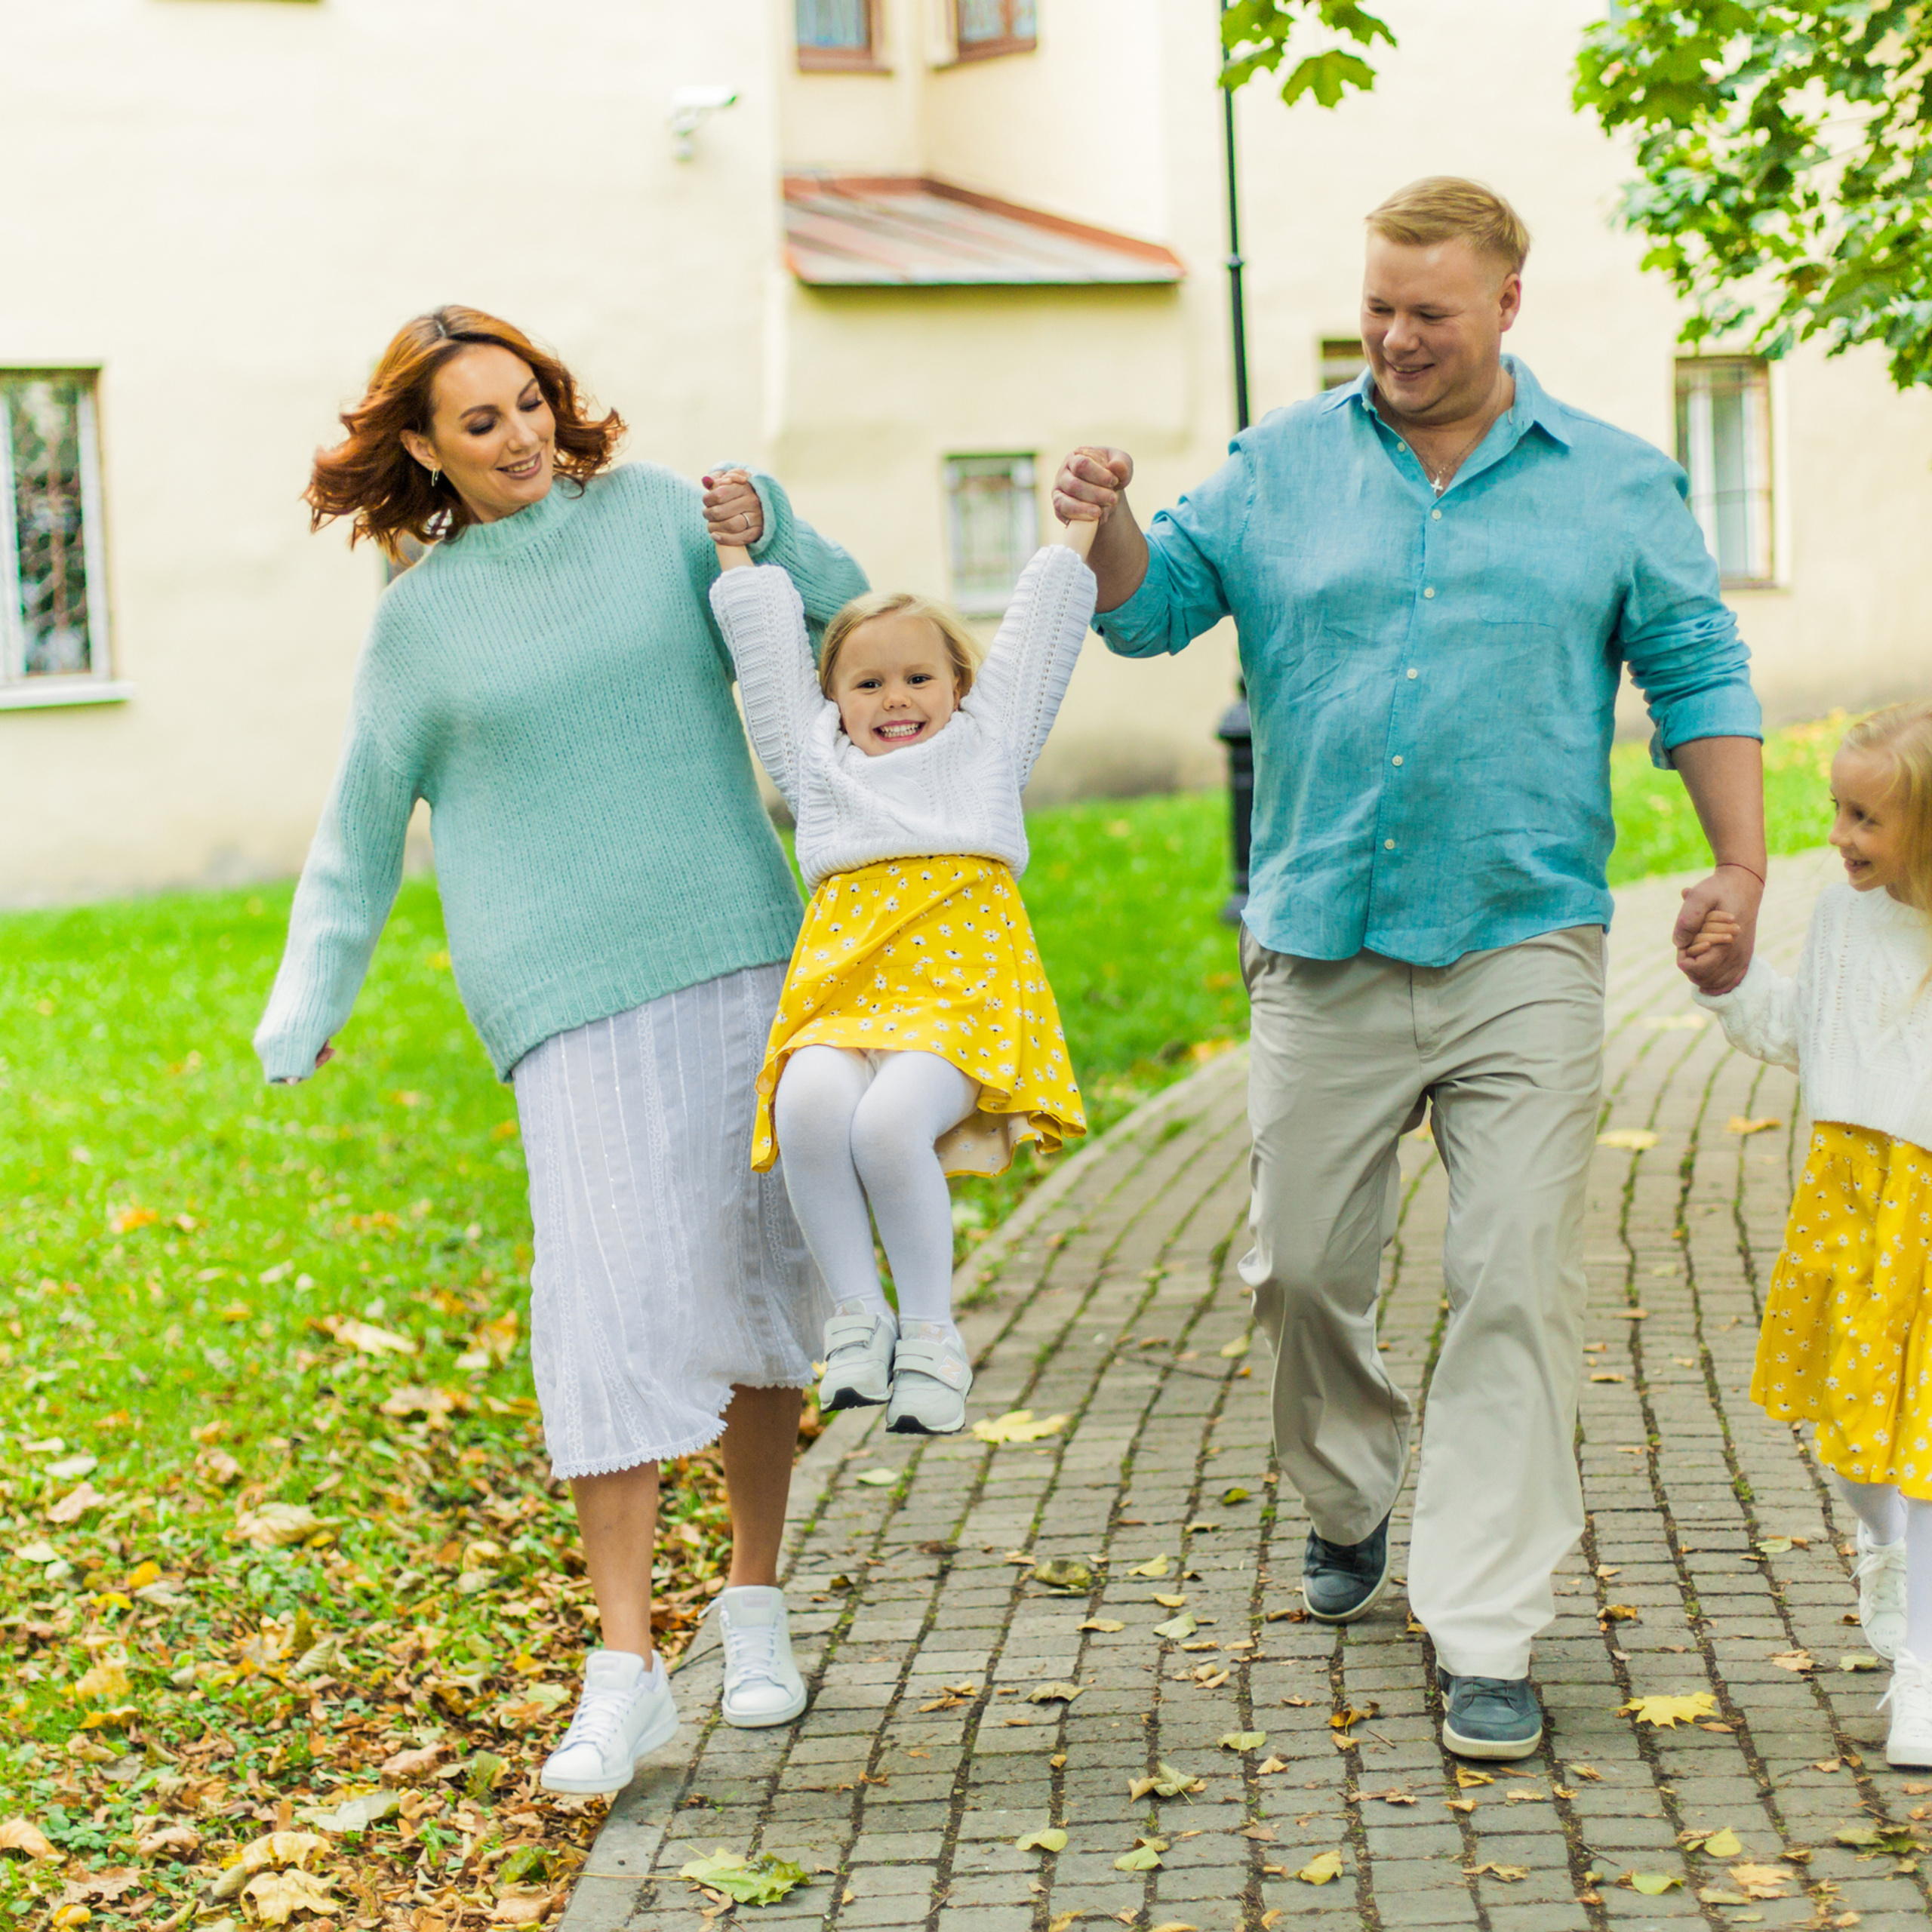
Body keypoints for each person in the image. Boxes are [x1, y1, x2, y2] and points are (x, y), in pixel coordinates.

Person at [1052, 177, 1766, 1760]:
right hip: (1321, 941)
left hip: (1524, 931)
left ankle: (1487, 1622)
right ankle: (1349, 1484)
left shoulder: (1614, 483)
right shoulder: (1279, 464)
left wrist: (1735, 861)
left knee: (1511, 1275)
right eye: (1375, 305)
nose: (1392, 336)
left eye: (1426, 312)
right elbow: (1152, 608)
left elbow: (1697, 663)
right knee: (1301, 1267)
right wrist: (1099, 515)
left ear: (1507, 303)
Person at [253, 306, 867, 1795]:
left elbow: (843, 620)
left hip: (734, 948)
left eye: (530, 403)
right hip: (558, 1000)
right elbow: (359, 825)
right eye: (481, 421)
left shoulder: (656, 520)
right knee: (600, 1306)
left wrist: (768, 522)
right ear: (421, 449)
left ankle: (756, 1597)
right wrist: (305, 1000)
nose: (520, 435)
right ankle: (623, 1663)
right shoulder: (422, 617)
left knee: (749, 1284)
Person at [703, 474, 1094, 1435]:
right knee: (806, 1101)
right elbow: (761, 651)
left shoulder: (986, 743)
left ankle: (931, 1336)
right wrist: (732, 550)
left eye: (918, 677)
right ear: (831, 698)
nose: (895, 699)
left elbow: (1042, 634)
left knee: (886, 1129)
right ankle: (857, 1320)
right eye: (866, 683)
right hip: (845, 994)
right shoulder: (815, 763)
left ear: (958, 684)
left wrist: (1082, 526)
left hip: (959, 1002)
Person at [1693, 703, 1932, 1765]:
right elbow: (1794, 1031)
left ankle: (1924, 1673)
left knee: (1923, 1446)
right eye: (1838, 807)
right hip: (1847, 1197)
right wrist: (1728, 981)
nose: (1838, 834)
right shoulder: (1842, 920)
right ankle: (1882, 1552)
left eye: (1866, 817)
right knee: (1849, 1425)